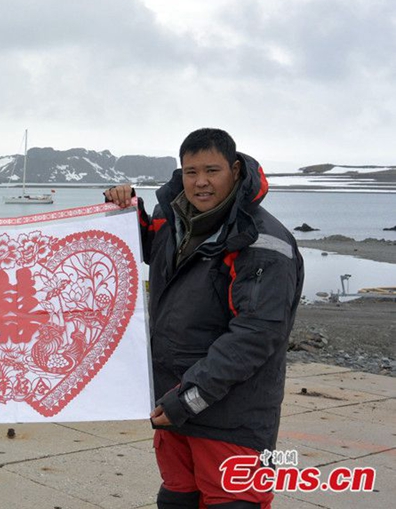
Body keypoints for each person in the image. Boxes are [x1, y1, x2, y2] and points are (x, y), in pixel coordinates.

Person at [104, 128, 303, 509]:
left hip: (230, 418)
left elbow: (256, 335)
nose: (201, 182)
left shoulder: (261, 242)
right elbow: (147, 250)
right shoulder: (173, 220)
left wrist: (189, 397)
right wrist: (126, 212)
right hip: (174, 409)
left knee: (232, 503)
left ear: (235, 169)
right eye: (191, 172)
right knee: (177, 499)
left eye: (212, 170)